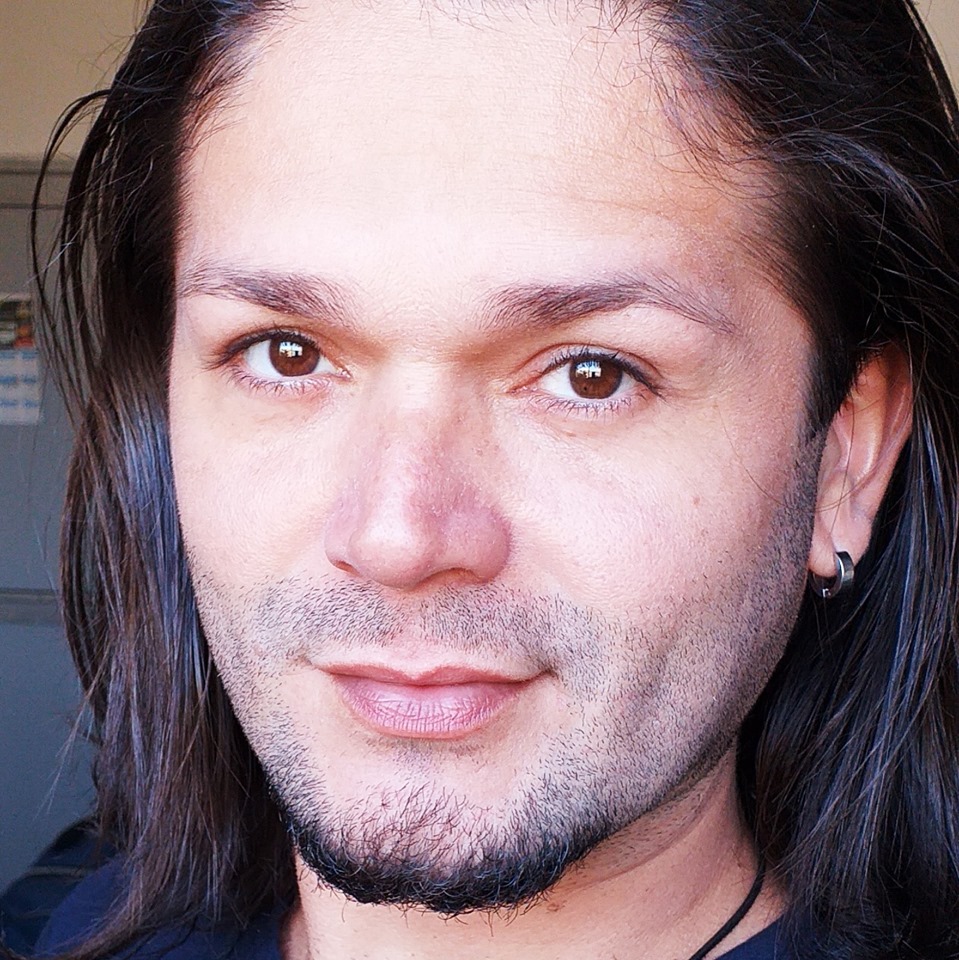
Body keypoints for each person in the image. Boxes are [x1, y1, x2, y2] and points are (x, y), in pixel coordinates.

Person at [29, 0, 959, 958]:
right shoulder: (75, 924)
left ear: (846, 455)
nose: (397, 538)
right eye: (285, 353)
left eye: (591, 375)